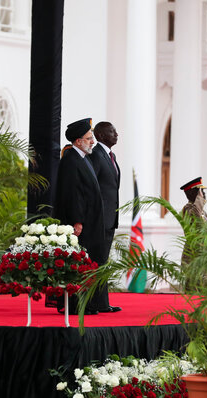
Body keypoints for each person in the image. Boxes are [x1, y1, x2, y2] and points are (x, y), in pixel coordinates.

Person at [53, 118, 105, 315]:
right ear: (77, 141)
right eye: (89, 138)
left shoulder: (82, 158)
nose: (92, 141)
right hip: (80, 224)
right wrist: (77, 220)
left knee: (87, 263)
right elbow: (72, 194)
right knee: (77, 264)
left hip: (90, 222)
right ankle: (74, 305)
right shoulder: (70, 161)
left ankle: (87, 304)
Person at [88, 121, 122, 313]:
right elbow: (93, 189)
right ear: (100, 135)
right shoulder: (96, 155)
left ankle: (102, 302)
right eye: (112, 131)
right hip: (99, 219)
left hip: (110, 218)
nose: (116, 134)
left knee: (103, 262)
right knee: (97, 261)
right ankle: (94, 303)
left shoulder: (111, 156)